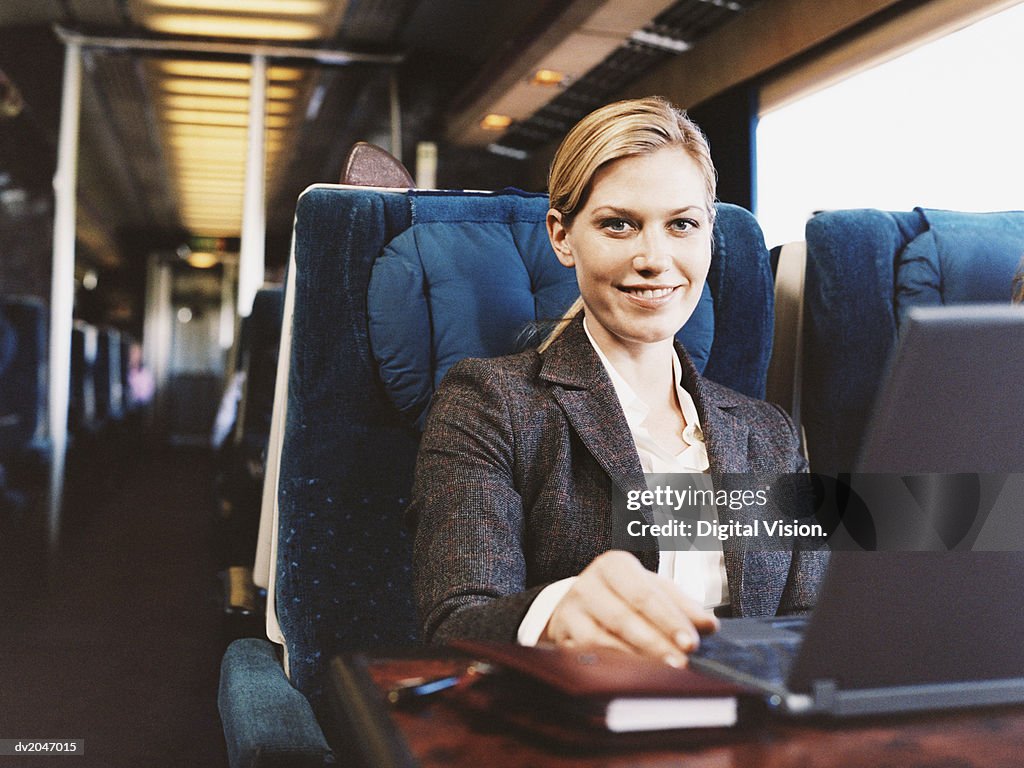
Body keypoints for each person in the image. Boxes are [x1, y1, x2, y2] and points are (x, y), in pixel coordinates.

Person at [410, 97, 826, 666]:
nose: (654, 258)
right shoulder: (491, 403)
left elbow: (812, 631)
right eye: (618, 225)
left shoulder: (769, 434)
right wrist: (559, 611)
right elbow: (456, 622)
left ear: (709, 236)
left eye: (682, 224)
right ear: (562, 236)